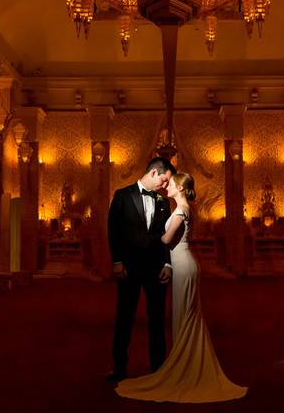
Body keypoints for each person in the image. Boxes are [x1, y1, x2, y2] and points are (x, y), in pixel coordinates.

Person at [116, 172, 248, 403]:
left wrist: (141, 236)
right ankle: (187, 365)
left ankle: (187, 369)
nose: (166, 186)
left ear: (180, 188)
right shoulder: (182, 208)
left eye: (171, 184)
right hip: (182, 263)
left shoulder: (180, 210)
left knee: (186, 317)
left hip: (184, 266)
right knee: (186, 316)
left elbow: (166, 240)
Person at [106, 157, 175, 382]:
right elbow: (113, 230)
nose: (165, 186)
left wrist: (167, 263)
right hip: (129, 268)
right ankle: (119, 369)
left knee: (157, 320)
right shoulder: (122, 196)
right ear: (154, 173)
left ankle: (159, 369)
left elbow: (167, 236)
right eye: (164, 180)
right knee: (124, 318)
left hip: (156, 269)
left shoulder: (162, 202)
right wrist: (117, 261)